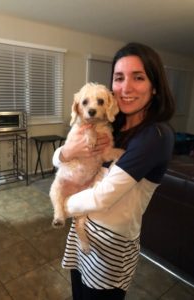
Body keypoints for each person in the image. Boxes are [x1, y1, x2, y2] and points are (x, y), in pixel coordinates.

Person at [52, 42, 175, 300]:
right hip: (82, 232)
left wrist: (62, 202)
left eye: (138, 77)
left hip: (110, 247)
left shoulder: (155, 136)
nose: (126, 87)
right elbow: (62, 157)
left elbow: (102, 197)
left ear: (155, 86)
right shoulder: (112, 123)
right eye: (119, 78)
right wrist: (65, 153)